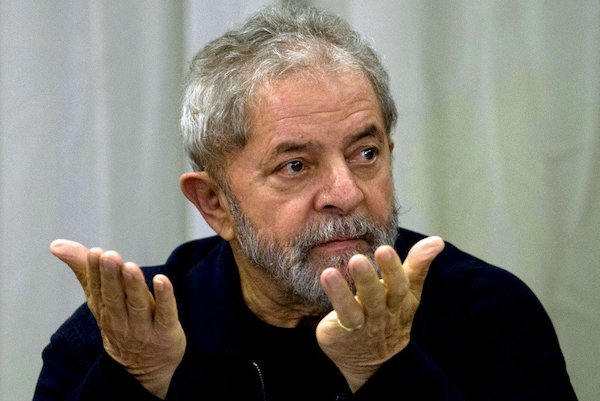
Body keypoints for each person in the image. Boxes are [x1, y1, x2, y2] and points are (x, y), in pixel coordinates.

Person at [33, 4, 578, 401]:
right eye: (295, 165)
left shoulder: (488, 314)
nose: (346, 193)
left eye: (365, 153)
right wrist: (135, 380)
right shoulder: (127, 333)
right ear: (214, 202)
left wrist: (386, 368)